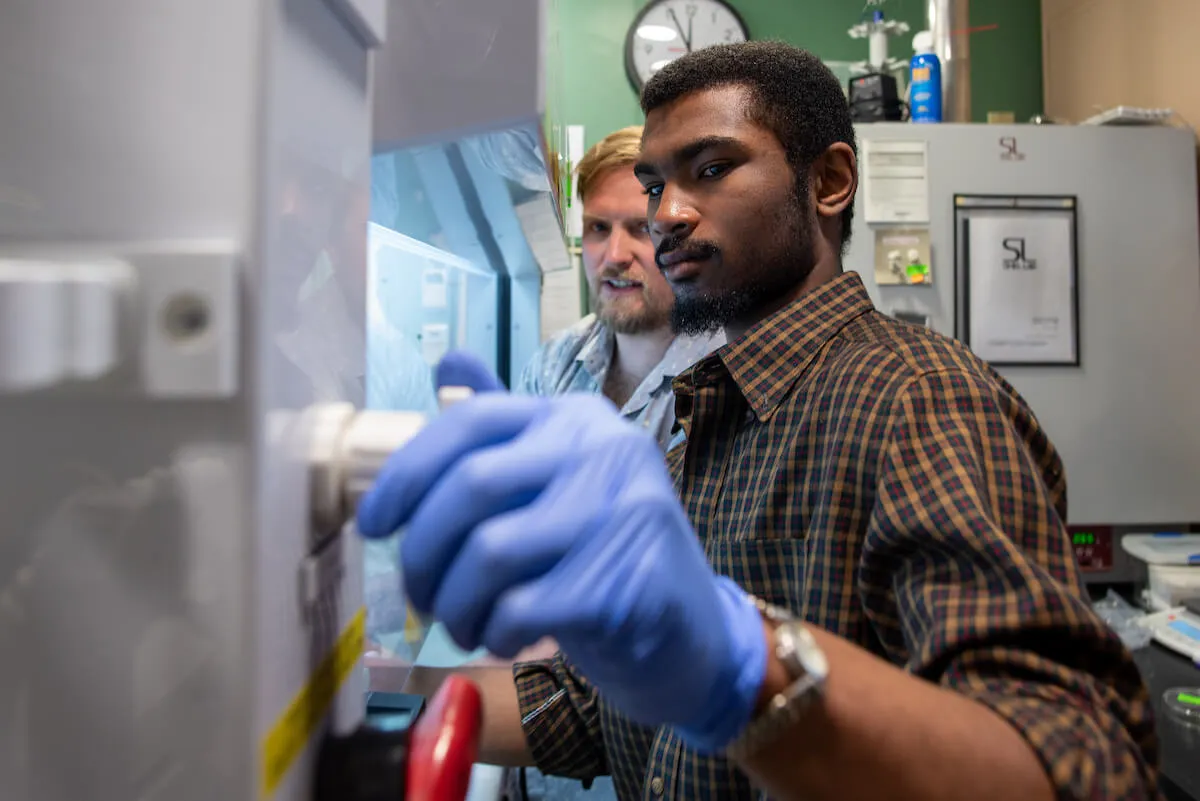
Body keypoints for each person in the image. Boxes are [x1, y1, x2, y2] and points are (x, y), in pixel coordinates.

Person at [358, 42, 1158, 801]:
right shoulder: (710, 408)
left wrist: (743, 664)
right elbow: (599, 709)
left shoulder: (916, 395)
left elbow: (1085, 767)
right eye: (651, 184)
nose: (667, 212)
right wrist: (372, 687)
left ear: (830, 182)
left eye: (711, 169)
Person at [518, 124, 722, 450]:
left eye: (642, 228)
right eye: (598, 227)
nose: (614, 256)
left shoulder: (722, 377)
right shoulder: (554, 364)